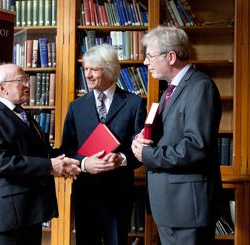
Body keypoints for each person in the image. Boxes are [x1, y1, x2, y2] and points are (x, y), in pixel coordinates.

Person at [131, 26, 223, 245]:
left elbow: (196, 147)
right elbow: (167, 136)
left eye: (150, 56)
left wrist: (148, 155)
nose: (146, 63)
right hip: (170, 206)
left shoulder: (200, 87)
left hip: (187, 209)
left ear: (171, 57)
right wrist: (140, 140)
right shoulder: (171, 90)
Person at [0, 63, 81, 245]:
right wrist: (50, 166)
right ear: (2, 88)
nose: (28, 85)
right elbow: (0, 163)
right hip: (6, 218)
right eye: (21, 80)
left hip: (31, 213)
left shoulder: (24, 115)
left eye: (27, 80)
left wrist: (81, 160)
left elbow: (45, 153)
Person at [60, 44, 147, 245]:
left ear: (108, 70)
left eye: (93, 69)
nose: (87, 75)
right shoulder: (76, 106)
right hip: (85, 194)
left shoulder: (134, 104)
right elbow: (66, 149)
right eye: (86, 69)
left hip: (119, 195)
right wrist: (84, 163)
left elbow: (143, 149)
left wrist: (122, 158)